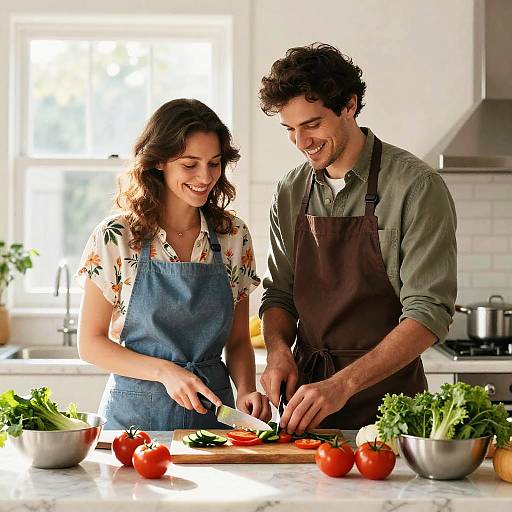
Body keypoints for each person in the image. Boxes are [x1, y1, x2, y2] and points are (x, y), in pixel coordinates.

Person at [258, 43, 457, 433]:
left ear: (348, 106)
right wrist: (279, 351)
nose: (301, 142)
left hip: (391, 411)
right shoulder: (290, 190)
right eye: (290, 129)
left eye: (312, 124)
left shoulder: (416, 186)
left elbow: (428, 313)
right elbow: (279, 294)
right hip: (306, 408)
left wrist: (343, 385)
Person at [77, 98, 270, 430]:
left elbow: (238, 341)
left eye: (214, 163)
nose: (205, 176)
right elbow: (90, 343)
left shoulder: (232, 235)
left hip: (213, 418)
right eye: (190, 164)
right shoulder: (117, 237)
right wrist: (165, 372)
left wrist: (247, 389)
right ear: (160, 162)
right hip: (133, 425)